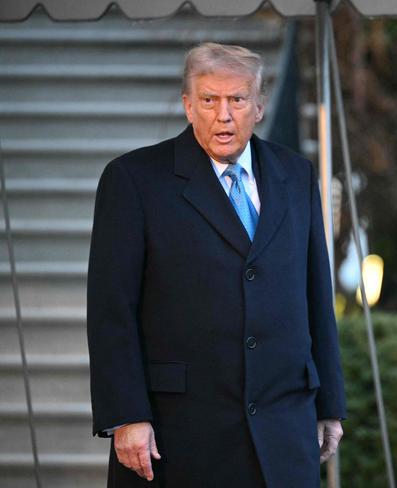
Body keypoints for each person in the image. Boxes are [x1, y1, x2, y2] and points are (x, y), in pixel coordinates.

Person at [86, 42, 346, 488]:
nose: (223, 115)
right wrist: (126, 415)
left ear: (259, 107)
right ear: (188, 105)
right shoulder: (134, 180)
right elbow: (111, 310)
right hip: (181, 432)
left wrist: (329, 404)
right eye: (209, 100)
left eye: (237, 100)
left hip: (284, 425)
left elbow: (316, 295)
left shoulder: (296, 174)